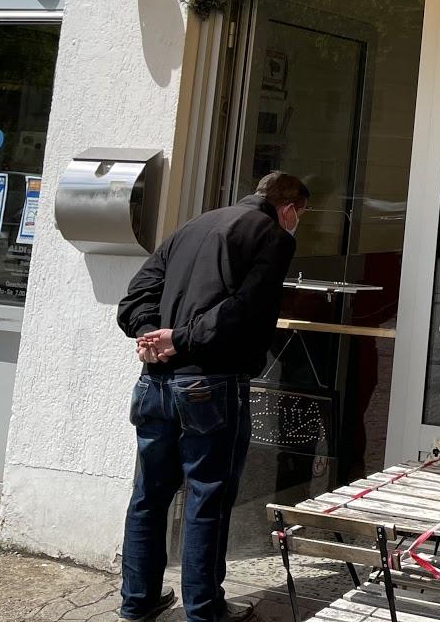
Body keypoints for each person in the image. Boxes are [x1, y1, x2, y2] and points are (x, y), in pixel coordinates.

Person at [115, 172, 310, 622]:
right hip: (211, 385)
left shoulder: (194, 224)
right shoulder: (274, 236)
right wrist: (178, 339)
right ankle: (204, 610)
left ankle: (137, 602)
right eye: (300, 215)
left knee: (148, 495)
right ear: (288, 209)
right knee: (208, 497)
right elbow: (245, 310)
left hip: (154, 383)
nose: (297, 223)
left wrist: (152, 335)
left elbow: (136, 296)